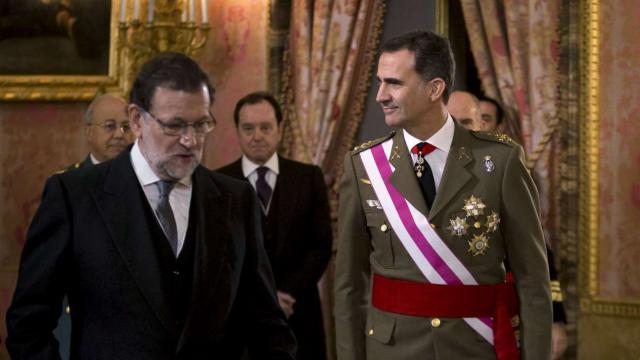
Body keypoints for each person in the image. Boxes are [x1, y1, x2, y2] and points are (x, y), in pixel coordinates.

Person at [6, 52, 296, 359]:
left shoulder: (236, 199)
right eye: (175, 125)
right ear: (136, 120)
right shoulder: (74, 196)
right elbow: (28, 325)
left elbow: (268, 326)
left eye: (201, 124)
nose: (191, 140)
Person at [334, 30, 552, 360]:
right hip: (393, 351)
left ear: (435, 88)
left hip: (474, 346)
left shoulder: (500, 162)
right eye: (380, 82)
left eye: (394, 82)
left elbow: (533, 282)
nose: (380, 95)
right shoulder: (364, 167)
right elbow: (349, 286)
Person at [217, 91, 332, 360]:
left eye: (265, 127)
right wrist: (261, 300)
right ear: (237, 131)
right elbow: (219, 256)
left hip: (299, 313)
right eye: (248, 128)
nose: (257, 136)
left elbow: (321, 245)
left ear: (280, 129)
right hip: (240, 320)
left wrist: (287, 294)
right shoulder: (217, 183)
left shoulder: (308, 178)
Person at [459, 93, 570, 359]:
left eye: (480, 119)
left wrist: (555, 318)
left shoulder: (509, 169)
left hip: (505, 308)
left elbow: (537, 252)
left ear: (491, 126)